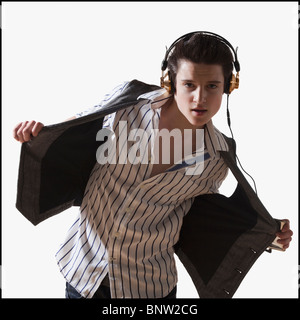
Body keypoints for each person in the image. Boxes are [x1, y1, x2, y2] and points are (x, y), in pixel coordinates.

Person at [13, 32, 293, 299]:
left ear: (228, 87)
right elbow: (74, 129)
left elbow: (205, 218)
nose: (200, 98)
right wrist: (37, 133)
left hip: (149, 286)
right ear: (171, 82)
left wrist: (266, 233)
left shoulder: (217, 157)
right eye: (189, 85)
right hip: (83, 273)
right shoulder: (126, 106)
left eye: (212, 86)